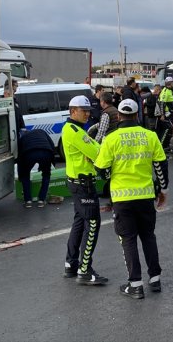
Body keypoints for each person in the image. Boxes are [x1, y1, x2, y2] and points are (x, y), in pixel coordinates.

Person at [94, 99, 169, 299]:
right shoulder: (150, 136)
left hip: (122, 199)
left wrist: (110, 179)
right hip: (145, 197)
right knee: (148, 236)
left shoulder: (111, 139)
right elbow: (161, 166)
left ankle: (135, 285)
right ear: (137, 115)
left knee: (128, 240)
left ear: (118, 116)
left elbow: (101, 169)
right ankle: (155, 280)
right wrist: (162, 190)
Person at [61, 95, 108, 285]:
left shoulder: (74, 129)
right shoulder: (74, 130)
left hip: (78, 183)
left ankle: (71, 264)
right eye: (84, 111)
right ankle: (85, 269)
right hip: (83, 185)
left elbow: (94, 149)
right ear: (73, 111)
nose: (88, 114)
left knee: (79, 224)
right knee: (93, 225)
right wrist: (98, 151)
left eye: (89, 111)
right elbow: (98, 152)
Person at [17, 129, 56, 208]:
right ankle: (41, 200)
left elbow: (19, 154)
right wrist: (52, 161)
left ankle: (28, 201)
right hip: (46, 152)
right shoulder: (41, 131)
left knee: (25, 176)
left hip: (29, 153)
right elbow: (52, 145)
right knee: (46, 175)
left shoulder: (23, 137)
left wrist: (21, 174)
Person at [156, 77, 173, 151]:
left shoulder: (171, 90)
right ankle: (161, 146)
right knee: (167, 129)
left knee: (170, 129)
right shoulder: (165, 91)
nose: (172, 84)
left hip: (171, 113)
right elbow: (162, 103)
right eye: (171, 82)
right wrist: (162, 115)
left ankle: (166, 145)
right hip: (166, 114)